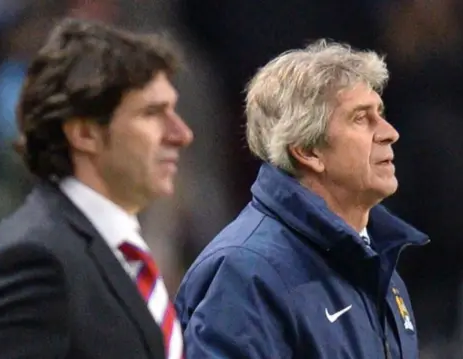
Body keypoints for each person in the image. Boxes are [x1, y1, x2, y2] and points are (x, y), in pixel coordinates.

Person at [0, 18, 192, 359]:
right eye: (152, 113)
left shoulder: (120, 250)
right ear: (84, 133)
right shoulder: (34, 261)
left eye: (174, 110)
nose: (181, 134)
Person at [175, 40, 429, 358]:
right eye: (361, 119)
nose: (390, 132)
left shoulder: (378, 266)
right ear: (307, 151)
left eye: (381, 113)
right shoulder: (244, 272)